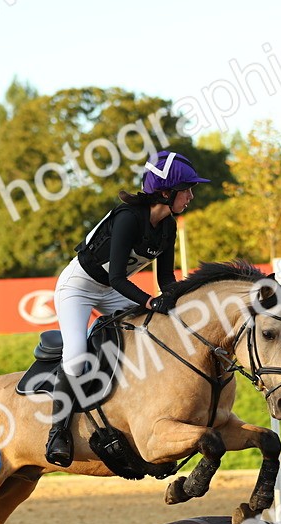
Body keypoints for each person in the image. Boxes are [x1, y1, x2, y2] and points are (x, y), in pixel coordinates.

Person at [45, 150, 209, 467]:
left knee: (154, 335)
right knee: (77, 355)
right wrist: (148, 301)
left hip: (112, 290)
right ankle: (58, 433)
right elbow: (117, 276)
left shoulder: (168, 227)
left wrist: (187, 299)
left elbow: (165, 279)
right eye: (186, 189)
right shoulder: (127, 218)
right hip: (78, 288)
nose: (190, 195)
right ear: (166, 192)